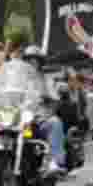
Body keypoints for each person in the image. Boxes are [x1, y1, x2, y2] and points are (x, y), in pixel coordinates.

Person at [18, 47, 68, 176]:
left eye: (34, 61)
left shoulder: (45, 79)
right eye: (28, 60)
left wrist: (49, 96)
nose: (31, 63)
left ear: (39, 63)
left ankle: (55, 161)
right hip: (17, 120)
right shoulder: (17, 79)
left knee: (55, 122)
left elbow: (55, 97)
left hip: (39, 119)